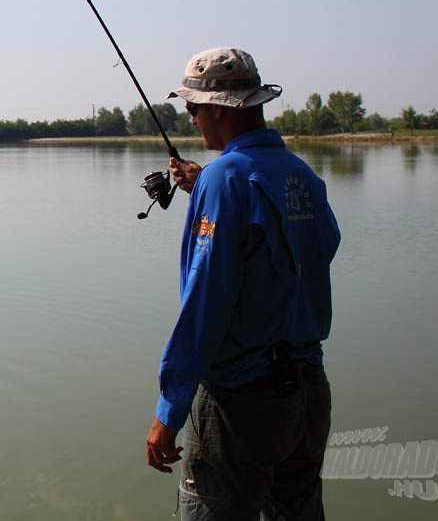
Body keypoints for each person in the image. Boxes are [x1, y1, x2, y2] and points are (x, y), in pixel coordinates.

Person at [145, 47, 341, 520]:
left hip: (241, 403)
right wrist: (204, 187)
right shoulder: (300, 174)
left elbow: (205, 305)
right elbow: (309, 248)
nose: (191, 121)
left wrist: (169, 411)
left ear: (217, 108)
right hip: (307, 392)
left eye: (192, 109)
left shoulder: (224, 179)